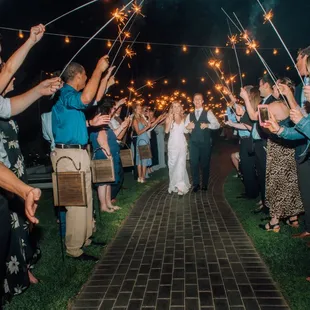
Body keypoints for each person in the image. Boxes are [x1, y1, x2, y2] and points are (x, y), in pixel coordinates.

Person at [51, 58, 111, 261]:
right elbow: (86, 99)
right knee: (76, 202)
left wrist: (89, 122)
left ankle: (85, 239)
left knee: (86, 198)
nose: (87, 79)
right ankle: (74, 248)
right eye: (85, 75)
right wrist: (97, 69)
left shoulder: (70, 99)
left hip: (78, 153)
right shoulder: (66, 94)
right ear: (78, 75)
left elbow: (92, 98)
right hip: (68, 156)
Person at [90, 99, 130, 213]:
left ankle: (108, 204)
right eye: (111, 110)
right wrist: (109, 157)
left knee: (108, 182)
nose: (113, 112)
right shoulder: (100, 126)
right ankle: (103, 206)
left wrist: (123, 126)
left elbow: (115, 135)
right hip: (104, 157)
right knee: (103, 183)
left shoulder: (106, 125)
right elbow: (103, 143)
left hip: (109, 156)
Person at [185, 93, 220, 192]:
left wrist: (208, 125)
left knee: (205, 164)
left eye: (199, 99)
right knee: (194, 163)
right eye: (195, 99)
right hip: (193, 143)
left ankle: (204, 184)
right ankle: (196, 184)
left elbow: (217, 125)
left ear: (202, 101)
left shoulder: (208, 113)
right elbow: (184, 129)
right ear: (193, 101)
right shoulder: (189, 115)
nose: (197, 101)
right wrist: (187, 128)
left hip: (205, 143)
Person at [165, 101, 190, 195]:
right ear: (172, 108)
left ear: (180, 108)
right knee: (172, 165)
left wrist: (189, 127)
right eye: (174, 106)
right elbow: (167, 131)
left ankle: (181, 187)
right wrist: (170, 120)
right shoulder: (169, 117)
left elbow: (186, 131)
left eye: (178, 106)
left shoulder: (184, 117)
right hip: (173, 144)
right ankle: (173, 185)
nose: (176, 108)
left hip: (182, 143)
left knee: (181, 164)